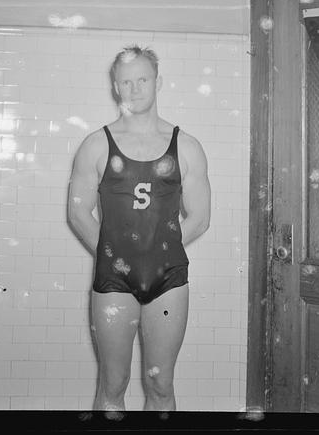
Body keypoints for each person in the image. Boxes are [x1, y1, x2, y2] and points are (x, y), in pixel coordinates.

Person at [68, 45, 211, 412]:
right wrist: (115, 252)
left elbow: (200, 216)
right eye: (126, 82)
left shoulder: (187, 146)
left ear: (158, 82)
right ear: (116, 87)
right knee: (112, 383)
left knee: (160, 383)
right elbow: (78, 212)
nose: (134, 88)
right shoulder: (96, 145)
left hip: (168, 281)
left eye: (142, 79)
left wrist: (157, 249)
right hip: (113, 282)